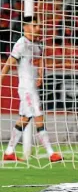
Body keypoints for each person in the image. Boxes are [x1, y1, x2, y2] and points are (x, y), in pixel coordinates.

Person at [0, 16, 63, 162]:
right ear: (25, 27)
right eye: (34, 26)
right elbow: (9, 63)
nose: (38, 28)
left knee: (24, 118)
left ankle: (9, 152)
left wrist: (41, 74)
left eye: (38, 26)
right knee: (38, 116)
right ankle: (51, 153)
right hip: (26, 88)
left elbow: (40, 60)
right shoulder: (21, 44)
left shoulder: (38, 44)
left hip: (33, 87)